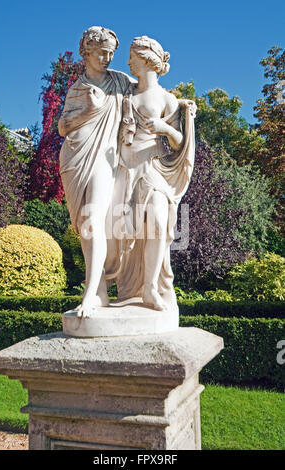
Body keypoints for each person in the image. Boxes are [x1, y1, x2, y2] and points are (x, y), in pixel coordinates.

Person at [104, 36, 196, 311]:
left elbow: (180, 141)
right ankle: (124, 287)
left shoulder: (167, 99)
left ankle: (150, 289)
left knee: (158, 222)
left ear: (145, 59)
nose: (128, 61)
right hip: (124, 168)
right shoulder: (123, 92)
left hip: (154, 166)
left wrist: (164, 127)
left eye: (132, 56)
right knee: (123, 234)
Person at [58, 26, 134, 318]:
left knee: (92, 217)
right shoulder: (77, 88)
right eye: (101, 51)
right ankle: (99, 291)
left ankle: (91, 293)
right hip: (74, 158)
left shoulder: (121, 83)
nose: (107, 57)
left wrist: (178, 106)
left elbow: (148, 94)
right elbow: (63, 127)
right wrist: (90, 110)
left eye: (111, 53)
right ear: (85, 51)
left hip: (106, 157)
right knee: (85, 226)